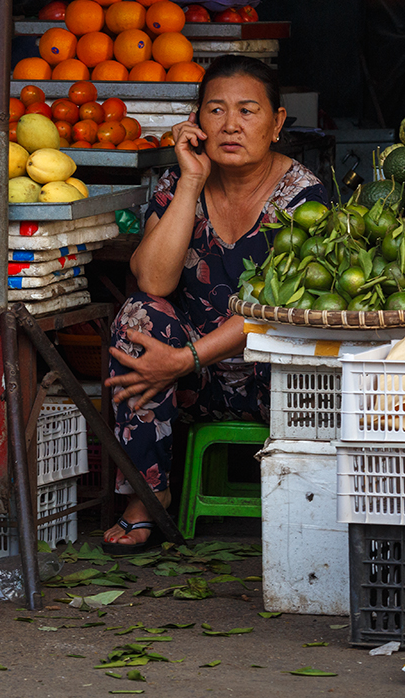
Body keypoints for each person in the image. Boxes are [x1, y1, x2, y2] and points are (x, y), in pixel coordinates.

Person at [101, 54, 329, 554]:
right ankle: (148, 493)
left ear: (277, 123)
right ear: (196, 122)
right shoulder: (180, 185)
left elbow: (278, 309)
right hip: (188, 380)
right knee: (139, 316)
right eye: (215, 110)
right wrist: (189, 181)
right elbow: (154, 281)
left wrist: (186, 358)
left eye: (248, 111)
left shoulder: (304, 199)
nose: (230, 125)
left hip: (275, 376)